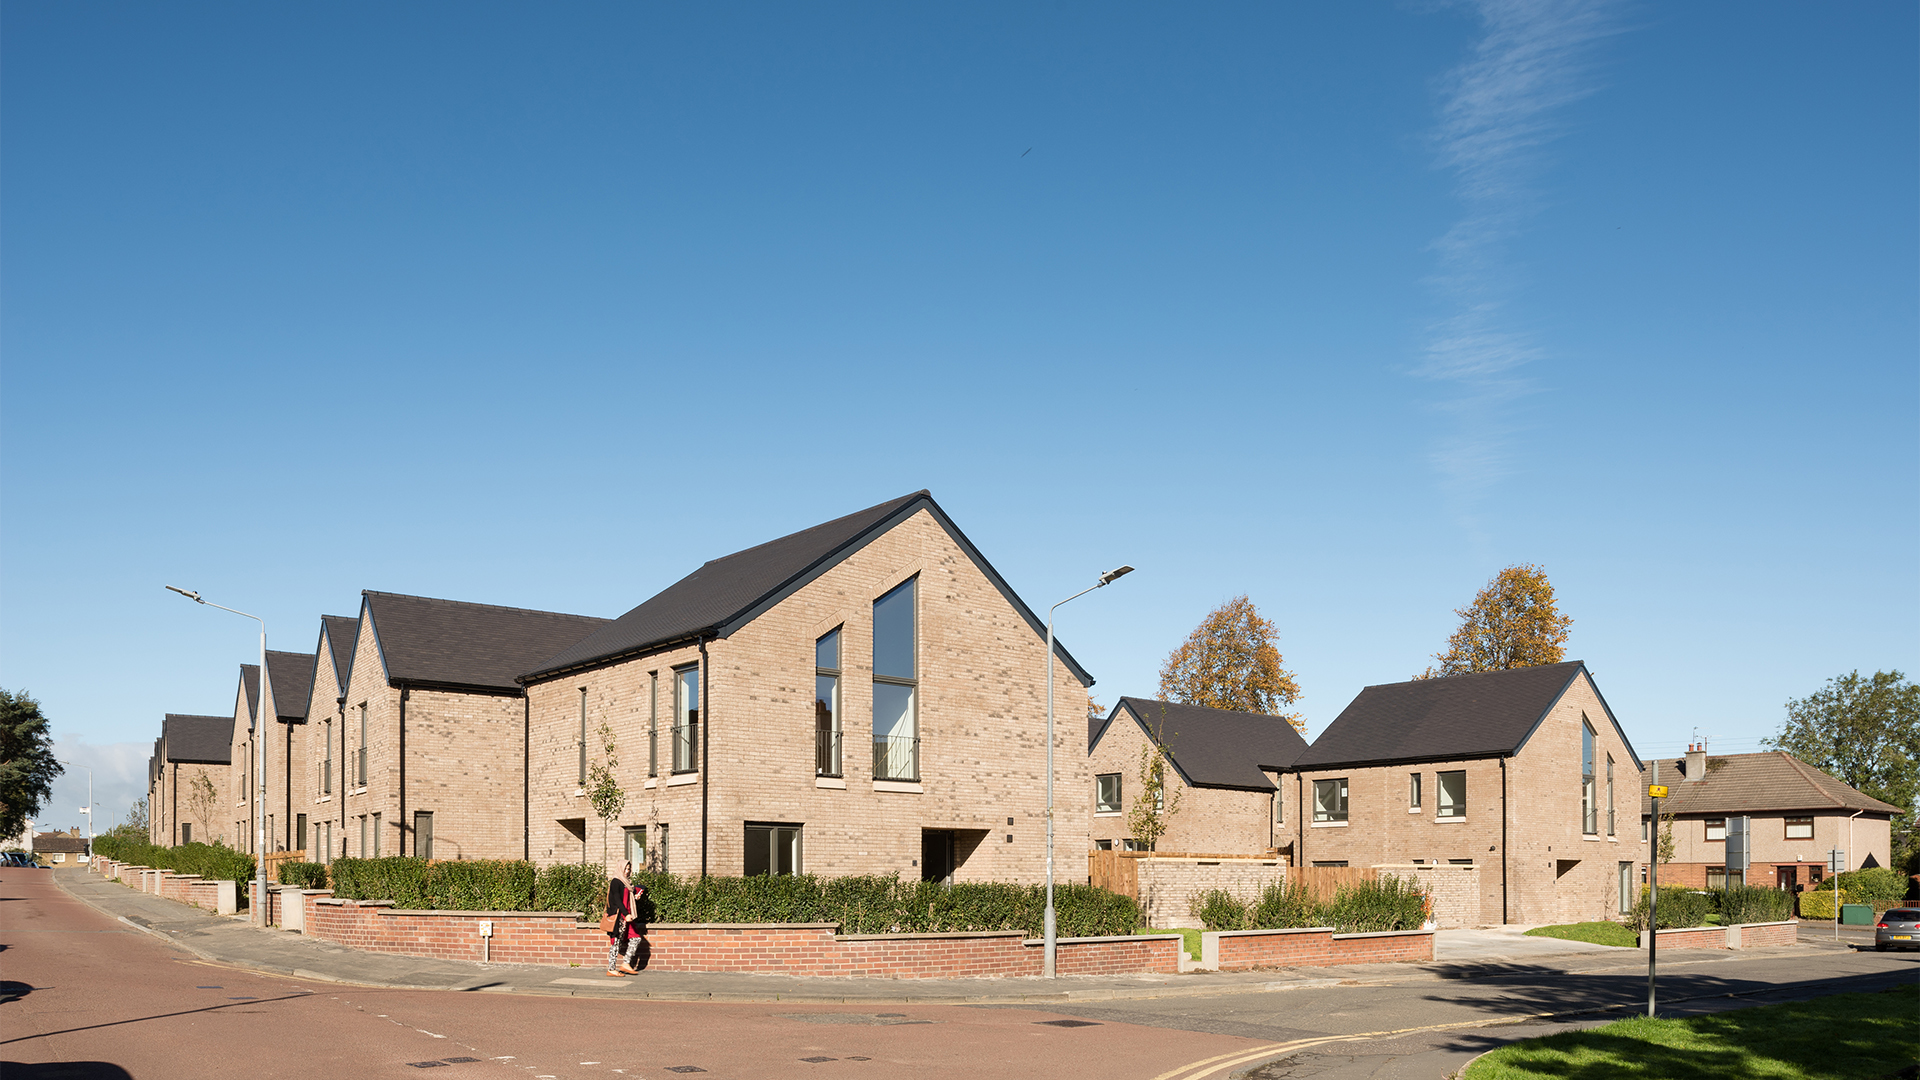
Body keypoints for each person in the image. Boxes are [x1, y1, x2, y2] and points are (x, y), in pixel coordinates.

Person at [606, 861, 641, 976]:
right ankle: (611, 969)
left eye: (629, 869)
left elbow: (626, 898)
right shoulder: (616, 881)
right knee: (616, 942)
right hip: (620, 916)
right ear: (621, 868)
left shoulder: (627, 883)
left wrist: (634, 897)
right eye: (625, 869)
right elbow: (617, 899)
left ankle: (626, 963)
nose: (627, 871)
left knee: (635, 938)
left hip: (628, 916)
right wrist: (625, 914)